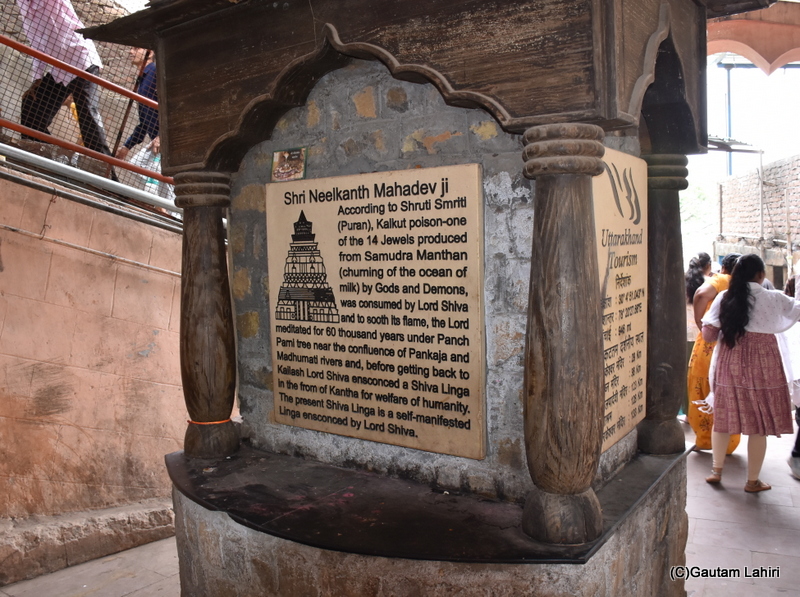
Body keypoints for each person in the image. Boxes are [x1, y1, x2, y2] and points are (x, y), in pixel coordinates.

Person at [702, 255, 800, 492]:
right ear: (760, 275)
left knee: (723, 417)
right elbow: (796, 309)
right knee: (759, 424)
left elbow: (707, 334)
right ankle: (752, 481)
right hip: (764, 363)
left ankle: (716, 471)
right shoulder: (773, 298)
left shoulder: (725, 297)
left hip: (730, 359)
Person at [16, 0, 114, 160]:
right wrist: (37, 77)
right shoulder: (25, 6)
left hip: (81, 59)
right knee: (31, 106)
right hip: (60, 68)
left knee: (87, 115)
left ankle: (106, 175)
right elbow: (37, 43)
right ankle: (42, 159)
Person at [687, 253, 742, 453]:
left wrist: (701, 321)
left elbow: (701, 294)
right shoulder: (743, 285)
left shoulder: (722, 279)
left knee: (701, 386)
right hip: (733, 345)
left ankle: (704, 439)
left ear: (724, 267)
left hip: (710, 343)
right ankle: (727, 444)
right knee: (729, 392)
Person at [115, 47, 159, 161]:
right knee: (137, 165)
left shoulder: (155, 72)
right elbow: (144, 122)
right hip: (157, 142)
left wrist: (161, 137)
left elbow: (173, 108)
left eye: (136, 48)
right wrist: (127, 146)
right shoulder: (143, 79)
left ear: (150, 52)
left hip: (168, 142)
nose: (131, 51)